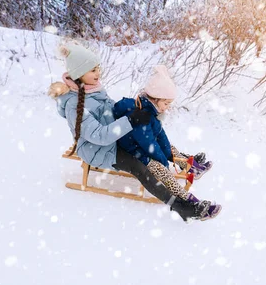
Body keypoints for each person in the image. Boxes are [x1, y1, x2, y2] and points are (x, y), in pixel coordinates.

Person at [48, 43, 210, 222]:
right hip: (97, 149)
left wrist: (133, 111)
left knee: (148, 140)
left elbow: (111, 110)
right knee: (139, 167)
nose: (98, 73)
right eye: (92, 70)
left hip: (115, 138)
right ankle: (180, 206)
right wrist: (130, 121)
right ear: (79, 73)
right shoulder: (74, 104)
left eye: (97, 69)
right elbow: (98, 135)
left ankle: (185, 163)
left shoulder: (94, 89)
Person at [113, 65, 221, 219]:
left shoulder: (150, 110)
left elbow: (160, 136)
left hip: (139, 148)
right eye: (166, 104)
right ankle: (190, 201)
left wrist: (170, 154)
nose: (167, 108)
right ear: (155, 99)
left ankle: (190, 165)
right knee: (162, 170)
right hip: (134, 152)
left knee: (168, 147)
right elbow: (149, 145)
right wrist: (164, 162)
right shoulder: (141, 115)